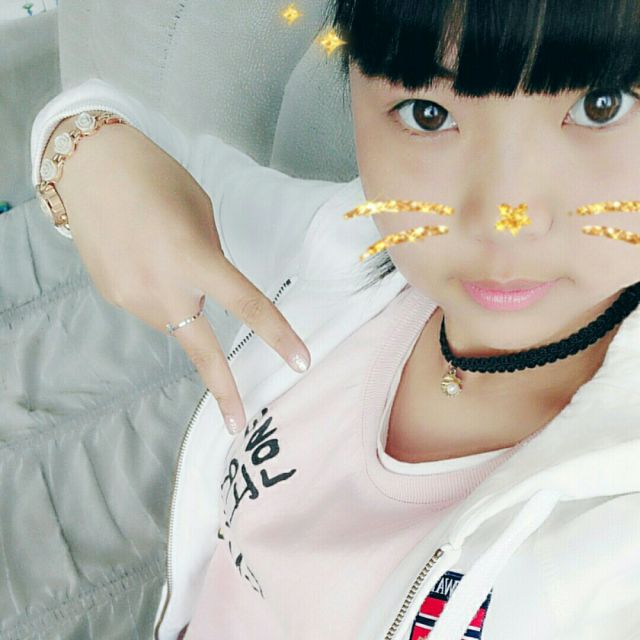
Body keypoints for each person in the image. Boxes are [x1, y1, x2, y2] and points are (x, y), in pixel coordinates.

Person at [30, 0, 640, 639]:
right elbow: (133, 142)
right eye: (428, 114)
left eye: (601, 106)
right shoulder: (344, 247)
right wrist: (80, 147)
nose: (504, 218)